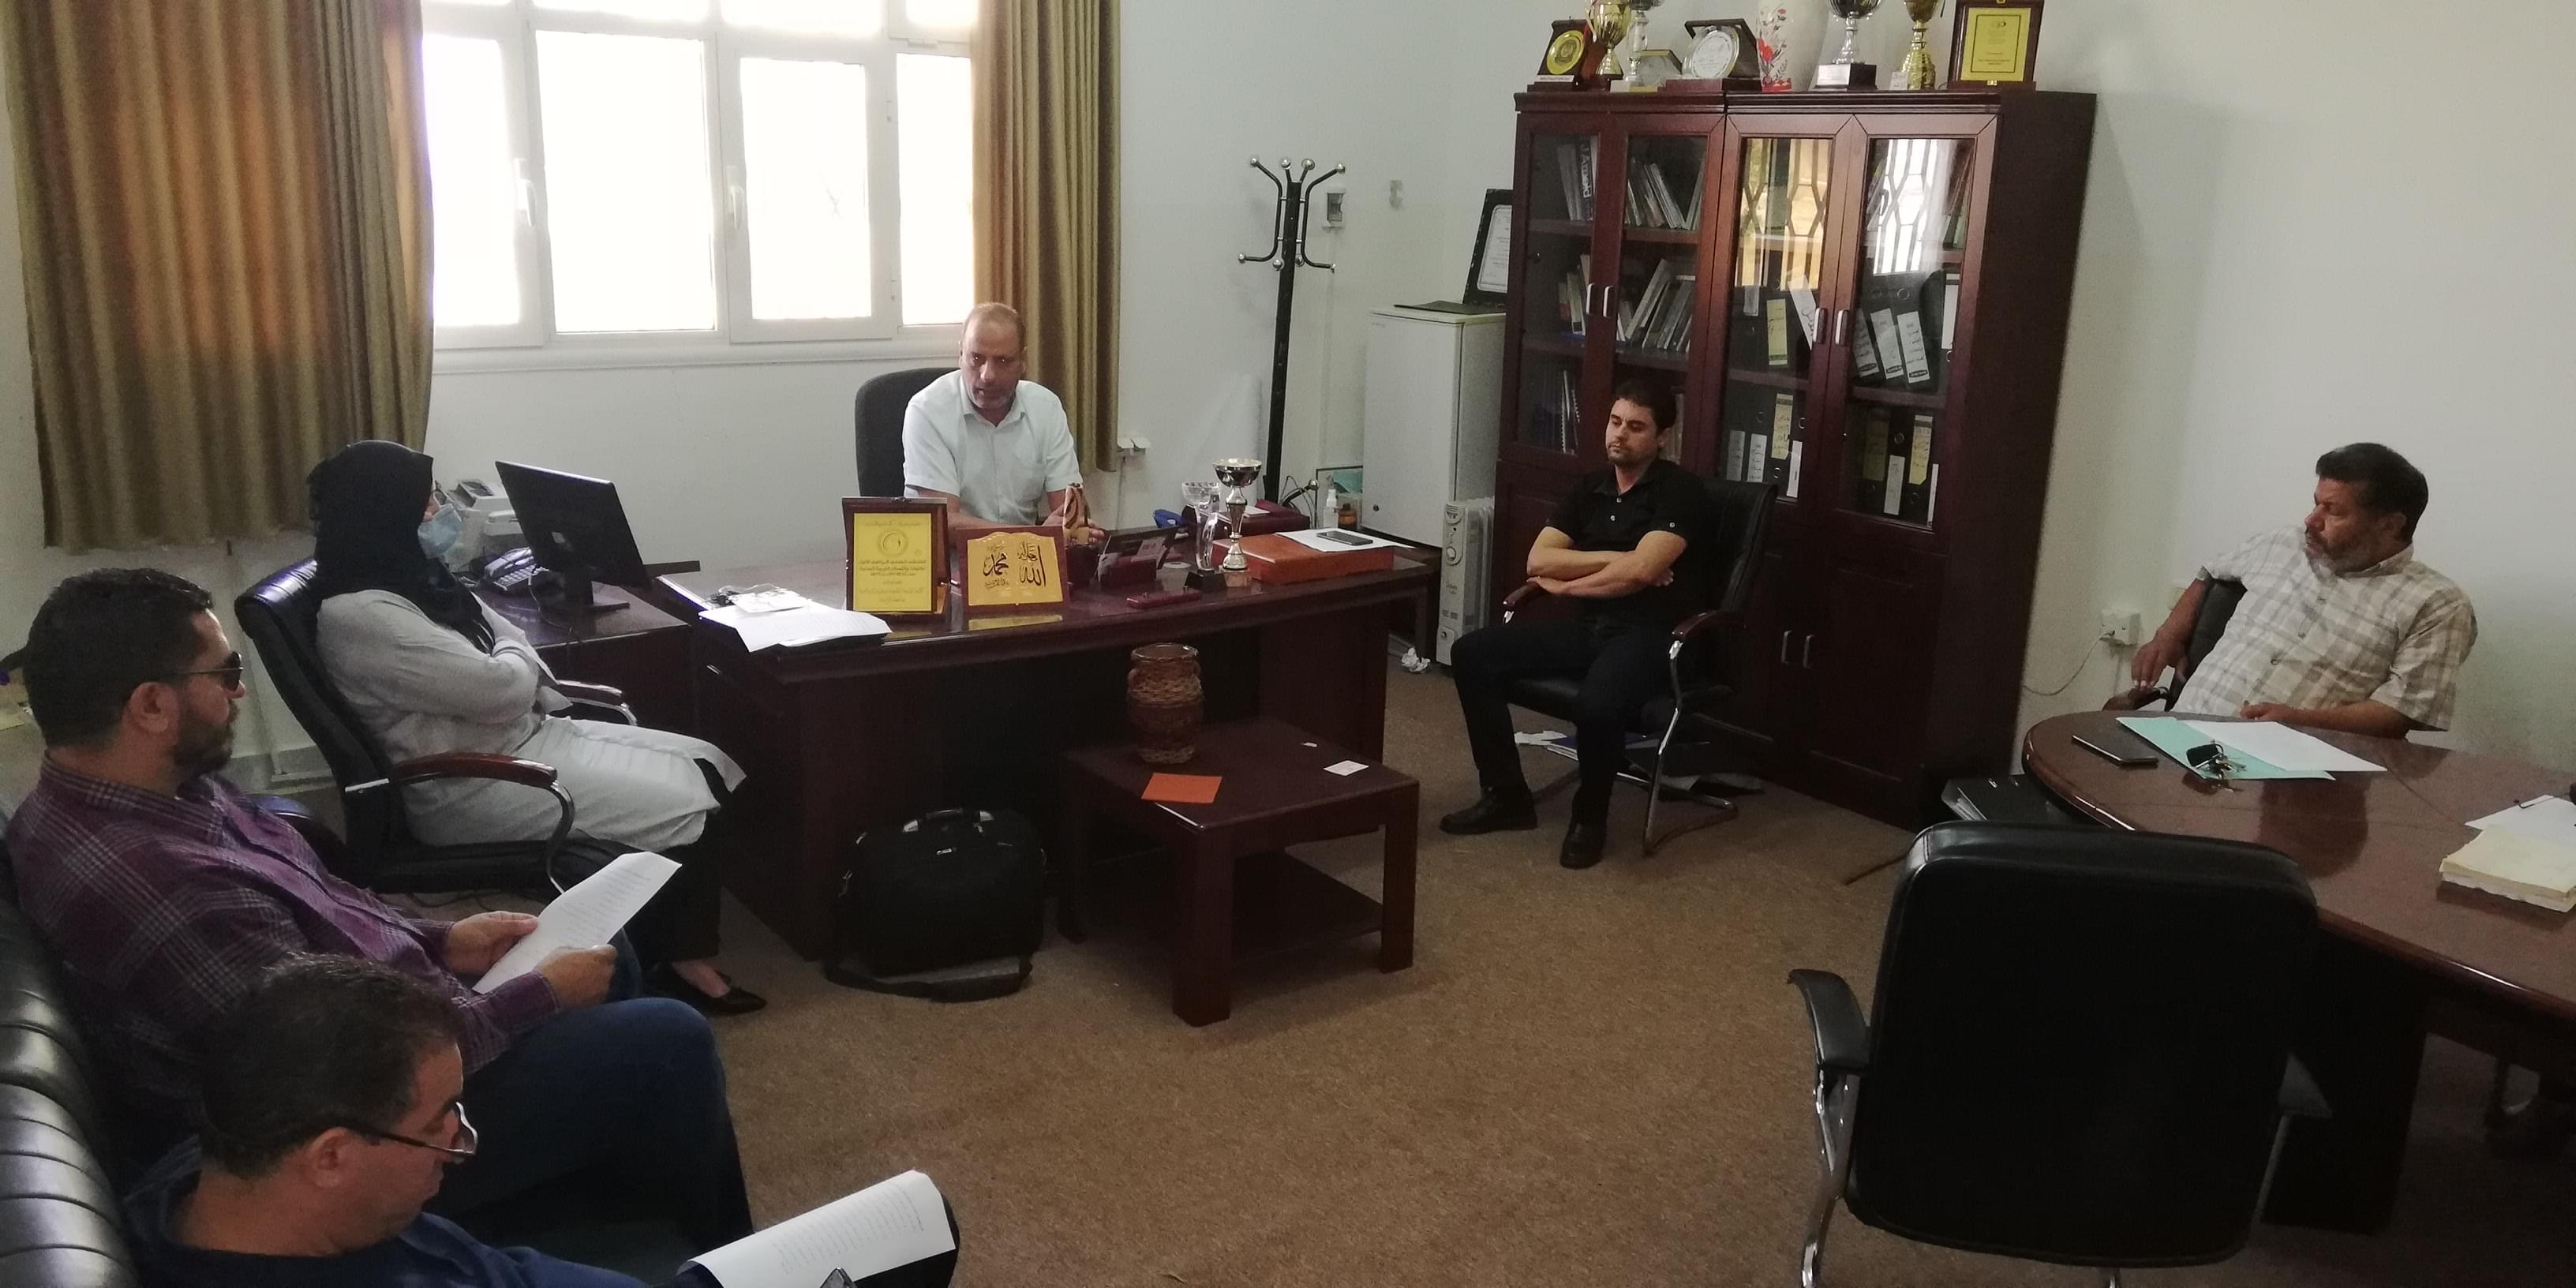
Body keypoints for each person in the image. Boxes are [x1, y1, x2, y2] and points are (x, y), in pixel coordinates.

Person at [2, 568, 751, 1245]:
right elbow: (337, 1083)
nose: (238, 693)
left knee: (610, 962)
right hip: (352, 1131)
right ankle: (715, 1250)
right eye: (225, 673)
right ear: (152, 704)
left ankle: (600, 1201)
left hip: (364, 1016)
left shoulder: (153, 791)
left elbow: (320, 905)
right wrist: (534, 998)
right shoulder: (169, 892)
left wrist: (441, 940)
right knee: (669, 1039)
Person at [126, 955, 960, 1288]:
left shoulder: (206, 1175)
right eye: (440, 1123)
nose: (460, 1144)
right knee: (918, 1240)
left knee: (916, 1228)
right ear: (331, 1155)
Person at [308, 440, 762, 1015]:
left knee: (707, 761)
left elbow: (505, 648)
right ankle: (677, 963)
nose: (438, 512)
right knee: (686, 804)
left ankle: (660, 941)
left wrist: (510, 663)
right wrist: (512, 663)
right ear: (383, 512)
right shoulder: (361, 616)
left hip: (519, 740)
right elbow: (501, 687)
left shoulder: (415, 580)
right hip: (472, 781)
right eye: (426, 502)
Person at [1436, 381, 1713, 870]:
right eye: (1615, 422)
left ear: (1662, 437)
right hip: (1591, 630)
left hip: (1652, 637)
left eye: (1636, 427)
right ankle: (1506, 796)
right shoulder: (1591, 487)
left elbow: (1641, 575)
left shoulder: (1681, 491)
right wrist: (1620, 559)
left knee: (1597, 703)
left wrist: (1569, 585)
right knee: (1472, 654)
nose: (1620, 435)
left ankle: (1589, 820)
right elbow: (1538, 560)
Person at [2125, 443, 2475, 738]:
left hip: (2291, 772)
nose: (2311, 520)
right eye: (2316, 502)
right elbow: (2211, 572)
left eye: (2333, 511)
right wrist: (2168, 634)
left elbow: (2402, 710)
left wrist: (2301, 722)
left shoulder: (2436, 603)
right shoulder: (2281, 543)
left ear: (2390, 525)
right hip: (2181, 732)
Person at [902, 301, 1093, 534]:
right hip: (955, 553)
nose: (988, 375)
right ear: (961, 355)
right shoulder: (927, 411)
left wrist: (1073, 526)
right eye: (976, 359)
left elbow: (1070, 511)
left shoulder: (1046, 407)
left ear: (1023, 361)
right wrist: (1033, 535)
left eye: (1003, 361)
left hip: (1027, 552)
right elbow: (943, 524)